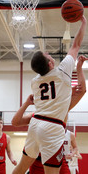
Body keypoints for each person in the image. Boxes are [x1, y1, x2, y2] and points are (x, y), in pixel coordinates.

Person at [12, 16, 87, 174]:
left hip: (35, 123)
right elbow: (76, 45)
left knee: (20, 168)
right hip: (52, 127)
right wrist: (84, 22)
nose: (48, 53)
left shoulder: (35, 82)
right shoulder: (62, 71)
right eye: (47, 55)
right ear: (50, 63)